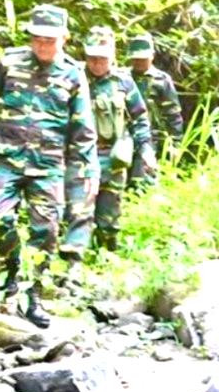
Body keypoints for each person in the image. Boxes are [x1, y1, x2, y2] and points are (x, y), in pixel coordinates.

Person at [0, 4, 94, 323]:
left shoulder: (73, 74)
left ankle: (34, 296)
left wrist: (85, 173)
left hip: (48, 165)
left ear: (65, 39)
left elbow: (83, 131)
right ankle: (14, 268)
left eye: (50, 40)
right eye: (37, 38)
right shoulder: (9, 62)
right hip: (7, 160)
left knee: (45, 231)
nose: (42, 45)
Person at [64, 28, 155, 259]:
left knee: (109, 219)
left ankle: (106, 259)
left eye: (102, 58)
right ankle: (73, 266)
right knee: (78, 212)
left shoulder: (123, 82)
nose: (96, 63)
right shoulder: (73, 77)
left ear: (113, 55)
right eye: (92, 57)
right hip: (80, 157)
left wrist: (145, 150)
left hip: (112, 158)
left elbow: (140, 117)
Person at [124, 36, 183, 187]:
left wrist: (175, 143)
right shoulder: (122, 77)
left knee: (143, 183)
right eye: (135, 59)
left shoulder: (161, 80)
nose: (138, 62)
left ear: (152, 56)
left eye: (143, 59)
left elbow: (173, 114)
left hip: (152, 138)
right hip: (124, 137)